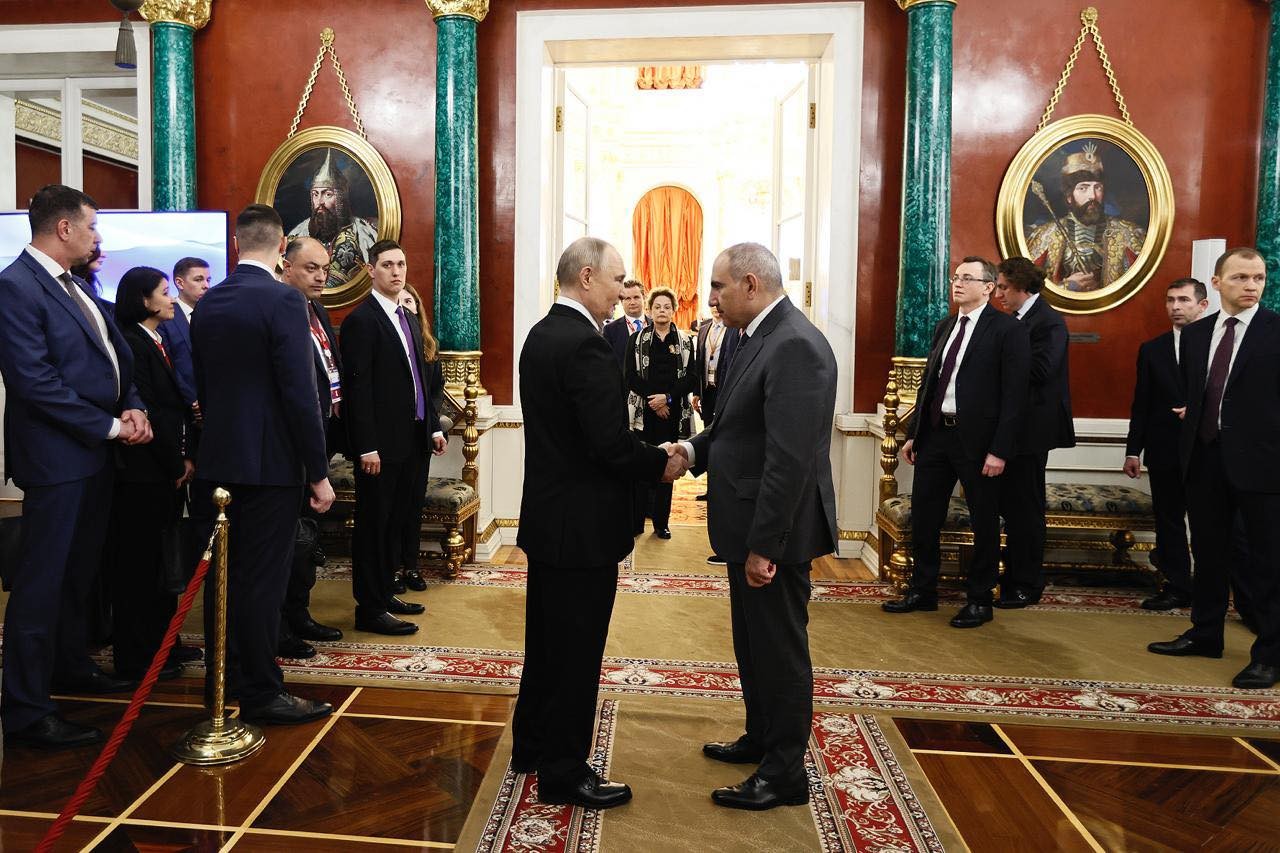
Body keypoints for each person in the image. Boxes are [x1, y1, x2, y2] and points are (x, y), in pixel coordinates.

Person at [513, 236, 684, 809]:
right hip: (583, 528)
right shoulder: (585, 345)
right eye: (616, 280)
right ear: (587, 277)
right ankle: (563, 772)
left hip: (550, 519)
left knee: (546, 642)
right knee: (578, 652)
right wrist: (661, 461)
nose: (621, 292)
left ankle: (531, 747)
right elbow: (609, 446)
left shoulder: (541, 334)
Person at [666, 243, 836, 811]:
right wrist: (691, 451)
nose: (710, 297)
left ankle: (785, 772)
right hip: (746, 527)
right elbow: (733, 427)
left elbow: (789, 461)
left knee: (780, 651)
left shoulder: (794, 346)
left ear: (750, 284)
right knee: (753, 643)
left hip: (773, 535)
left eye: (717, 286)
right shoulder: (753, 337)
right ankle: (762, 737)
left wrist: (766, 545)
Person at [0, 184, 153, 750]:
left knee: (77, 576)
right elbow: (35, 382)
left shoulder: (79, 286)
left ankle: (68, 667)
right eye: (92, 227)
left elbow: (117, 357)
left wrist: (132, 402)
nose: (98, 237)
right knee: (41, 584)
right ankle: (25, 709)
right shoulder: (16, 287)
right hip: (58, 460)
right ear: (63, 228)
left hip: (94, 457)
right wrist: (112, 426)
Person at [189, 204, 335, 725]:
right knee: (262, 583)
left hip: (217, 462)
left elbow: (203, 388)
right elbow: (299, 394)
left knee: (221, 580)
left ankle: (220, 680)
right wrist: (318, 472)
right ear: (280, 249)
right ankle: (261, 692)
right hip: (271, 466)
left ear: (235, 245)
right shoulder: (283, 301)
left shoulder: (208, 302)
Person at [1148, 247, 1280, 690]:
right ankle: (1206, 634)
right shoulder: (1200, 333)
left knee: (1267, 564)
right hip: (1204, 459)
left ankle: (1269, 656)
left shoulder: (1276, 331)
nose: (1251, 285)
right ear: (1218, 282)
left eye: (1258, 278)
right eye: (1241, 277)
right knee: (1208, 554)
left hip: (1264, 467)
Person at [882, 257, 1029, 629]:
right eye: (956, 277)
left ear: (989, 287)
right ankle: (923, 590)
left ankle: (980, 599)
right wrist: (915, 433)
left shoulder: (1007, 330)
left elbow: (1015, 396)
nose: (958, 284)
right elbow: (930, 385)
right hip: (936, 436)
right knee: (926, 515)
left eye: (968, 278)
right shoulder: (946, 326)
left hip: (980, 443)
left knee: (983, 520)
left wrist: (1000, 450)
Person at [340, 240, 447, 635]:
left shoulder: (405, 316)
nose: (397, 271)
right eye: (387, 265)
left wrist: (432, 426)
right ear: (371, 270)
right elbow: (359, 391)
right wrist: (366, 445)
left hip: (414, 441)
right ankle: (369, 608)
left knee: (398, 522)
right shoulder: (362, 321)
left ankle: (385, 593)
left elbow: (421, 381)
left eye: (401, 263)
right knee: (375, 526)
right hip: (380, 448)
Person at [109, 266, 196, 681]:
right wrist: (174, 461)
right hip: (143, 474)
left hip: (164, 471)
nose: (172, 299)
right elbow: (151, 412)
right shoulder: (131, 343)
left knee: (163, 564)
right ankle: (137, 657)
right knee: (138, 568)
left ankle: (164, 646)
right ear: (145, 300)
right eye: (165, 292)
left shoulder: (157, 339)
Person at [277, 237, 346, 657]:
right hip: (290, 449)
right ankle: (282, 625)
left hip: (322, 436)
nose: (321, 276)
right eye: (311, 268)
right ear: (287, 265)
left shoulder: (316, 308)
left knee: (307, 540)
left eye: (324, 268)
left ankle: (299, 614)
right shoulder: (280, 308)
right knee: (291, 543)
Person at [1123, 277, 1209, 610]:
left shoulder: (1217, 344)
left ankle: (1212, 588)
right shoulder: (1152, 349)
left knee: (1209, 524)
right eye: (1170, 300)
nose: (1175, 307)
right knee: (1169, 521)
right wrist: (1133, 450)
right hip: (1163, 449)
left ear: (1202, 305)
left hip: (1206, 450)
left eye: (1184, 300)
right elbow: (1141, 404)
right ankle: (1177, 587)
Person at [993, 256, 1074, 607]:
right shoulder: (1017, 320)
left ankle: (1027, 583)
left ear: (1023, 287)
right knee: (1012, 508)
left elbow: (1041, 370)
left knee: (1026, 510)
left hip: (1032, 431)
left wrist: (996, 360)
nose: (998, 294)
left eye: (1003, 288)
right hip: (1013, 428)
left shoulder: (1049, 323)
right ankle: (1012, 576)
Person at [625, 287, 696, 539]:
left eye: (667, 307)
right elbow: (630, 377)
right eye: (657, 307)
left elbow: (691, 378)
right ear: (649, 310)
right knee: (641, 465)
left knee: (667, 465)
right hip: (643, 414)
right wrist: (653, 399)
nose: (662, 311)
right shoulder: (637, 340)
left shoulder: (686, 342)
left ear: (674, 310)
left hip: (672, 414)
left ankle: (661, 523)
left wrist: (666, 398)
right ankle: (635, 522)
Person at [1026, 142, 1145, 292]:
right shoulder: (1045, 235)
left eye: (1097, 187)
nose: (1092, 196)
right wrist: (1066, 287)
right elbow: (1027, 290)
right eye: (1083, 188)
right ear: (1069, 196)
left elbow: (1141, 286)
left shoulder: (1129, 233)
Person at [286, 149, 378, 289]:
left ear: (341, 198)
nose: (320, 202)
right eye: (315, 195)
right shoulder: (299, 233)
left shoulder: (364, 232)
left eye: (327, 194)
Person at [159, 256, 210, 413]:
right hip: (181, 407)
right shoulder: (165, 318)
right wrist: (193, 401)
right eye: (198, 280)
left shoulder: (213, 315)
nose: (206, 286)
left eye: (208, 280)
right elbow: (168, 366)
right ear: (179, 283)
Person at [603, 279, 647, 363]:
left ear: (644, 298)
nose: (632, 302)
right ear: (621, 301)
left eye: (636, 297)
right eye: (627, 299)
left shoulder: (656, 326)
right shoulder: (610, 330)